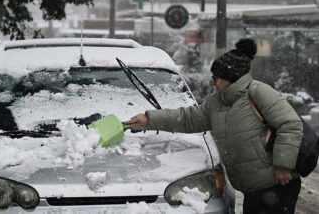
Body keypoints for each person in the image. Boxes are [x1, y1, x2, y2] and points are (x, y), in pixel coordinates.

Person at [125, 38, 303, 214]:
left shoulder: (258, 92)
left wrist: (283, 165)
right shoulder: (217, 103)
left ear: (231, 78)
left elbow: (290, 124)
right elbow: (187, 118)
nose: (213, 82)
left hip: (278, 184)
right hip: (253, 189)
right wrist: (149, 119)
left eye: (216, 78)